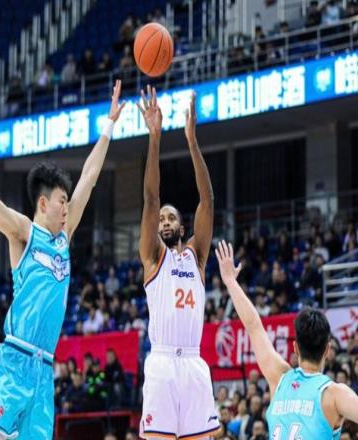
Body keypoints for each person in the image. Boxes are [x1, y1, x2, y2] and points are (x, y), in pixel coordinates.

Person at [0, 80, 125, 440]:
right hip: (14, 359)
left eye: (68, 202)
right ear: (43, 203)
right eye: (62, 201)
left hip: (44, 369)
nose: (67, 208)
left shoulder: (64, 238)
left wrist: (109, 125)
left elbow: (89, 177)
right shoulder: (23, 231)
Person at [214, 240, 358, 440]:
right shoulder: (333, 394)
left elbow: (253, 325)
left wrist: (230, 281)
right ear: (327, 349)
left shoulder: (279, 379)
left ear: (295, 347)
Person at [137, 86, 220, 439]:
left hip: (194, 364)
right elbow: (151, 198)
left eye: (171, 218)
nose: (165, 221)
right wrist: (154, 138)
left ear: (182, 228)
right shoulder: (153, 256)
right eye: (161, 220)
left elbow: (208, 199)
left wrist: (192, 140)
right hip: (162, 362)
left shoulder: (196, 256)